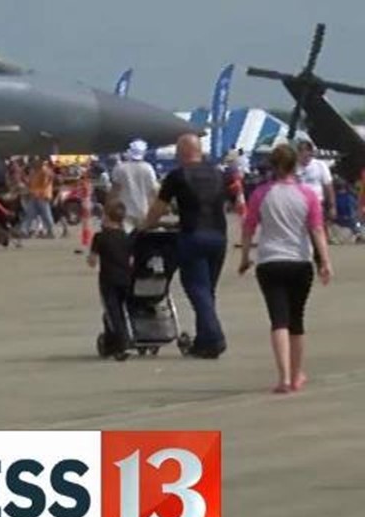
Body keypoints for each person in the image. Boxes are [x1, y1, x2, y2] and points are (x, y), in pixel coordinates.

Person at [237, 143, 333, 394]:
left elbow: (248, 227)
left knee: (278, 320)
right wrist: (325, 262)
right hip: (300, 262)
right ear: (295, 165)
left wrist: (245, 257)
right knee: (296, 320)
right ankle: (297, 373)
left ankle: (284, 378)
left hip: (270, 261)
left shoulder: (260, 193)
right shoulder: (308, 195)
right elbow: (317, 230)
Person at [142, 133, 234, 359]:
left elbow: (159, 208)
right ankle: (203, 341)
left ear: (182, 153)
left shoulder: (177, 176)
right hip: (219, 237)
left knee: (196, 288)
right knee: (208, 291)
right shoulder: (218, 174)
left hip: (193, 236)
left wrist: (146, 226)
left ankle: (215, 337)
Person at [87, 201, 136, 360]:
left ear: (106, 217)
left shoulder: (100, 237)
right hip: (126, 278)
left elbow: (92, 261)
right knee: (117, 311)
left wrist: (91, 258)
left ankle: (123, 342)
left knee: (113, 312)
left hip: (108, 280)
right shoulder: (126, 237)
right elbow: (131, 259)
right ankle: (110, 343)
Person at [110, 140, 158, 231]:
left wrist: (108, 210)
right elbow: (153, 192)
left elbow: (114, 191)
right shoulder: (148, 168)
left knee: (126, 241)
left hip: (124, 212)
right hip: (143, 210)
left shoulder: (120, 168)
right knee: (141, 240)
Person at [294, 137, 336, 237]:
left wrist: (332, 206)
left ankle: (320, 251)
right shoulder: (293, 167)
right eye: (301, 151)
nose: (304, 154)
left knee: (317, 231)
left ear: (311, 152)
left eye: (307, 151)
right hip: (298, 205)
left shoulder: (320, 165)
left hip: (317, 204)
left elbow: (328, 187)